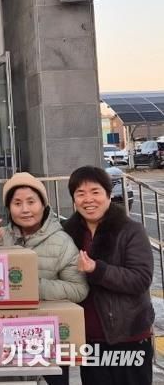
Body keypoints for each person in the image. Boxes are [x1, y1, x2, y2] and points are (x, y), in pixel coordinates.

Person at [0, 172, 88, 385]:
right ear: (9, 208)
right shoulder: (0, 237)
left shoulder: (62, 242)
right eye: (17, 203)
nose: (25, 209)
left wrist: (31, 287)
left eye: (31, 202)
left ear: (43, 205)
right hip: (5, 338)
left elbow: (78, 289)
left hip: (46, 340)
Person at [63, 165, 154, 385]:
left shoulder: (130, 230)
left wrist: (98, 269)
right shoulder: (67, 232)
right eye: (80, 193)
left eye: (95, 192)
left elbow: (140, 278)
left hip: (129, 337)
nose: (88, 199)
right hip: (90, 340)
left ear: (109, 195)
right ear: (74, 199)